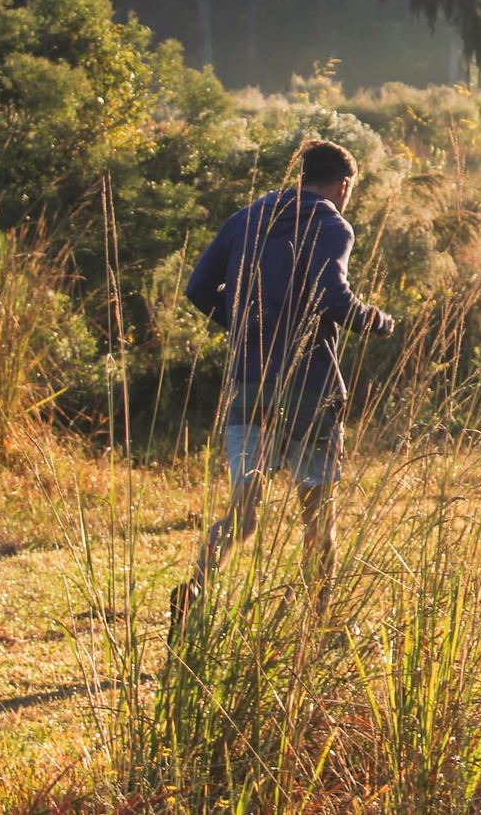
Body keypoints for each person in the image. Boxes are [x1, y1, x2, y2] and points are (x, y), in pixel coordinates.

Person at [172, 140, 396, 635]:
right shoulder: (332, 223)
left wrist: (240, 329)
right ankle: (319, 625)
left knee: (243, 517)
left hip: (249, 387)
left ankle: (195, 588)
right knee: (318, 518)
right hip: (310, 391)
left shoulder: (245, 219)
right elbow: (332, 296)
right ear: (343, 185)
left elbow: (197, 288)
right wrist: (376, 321)